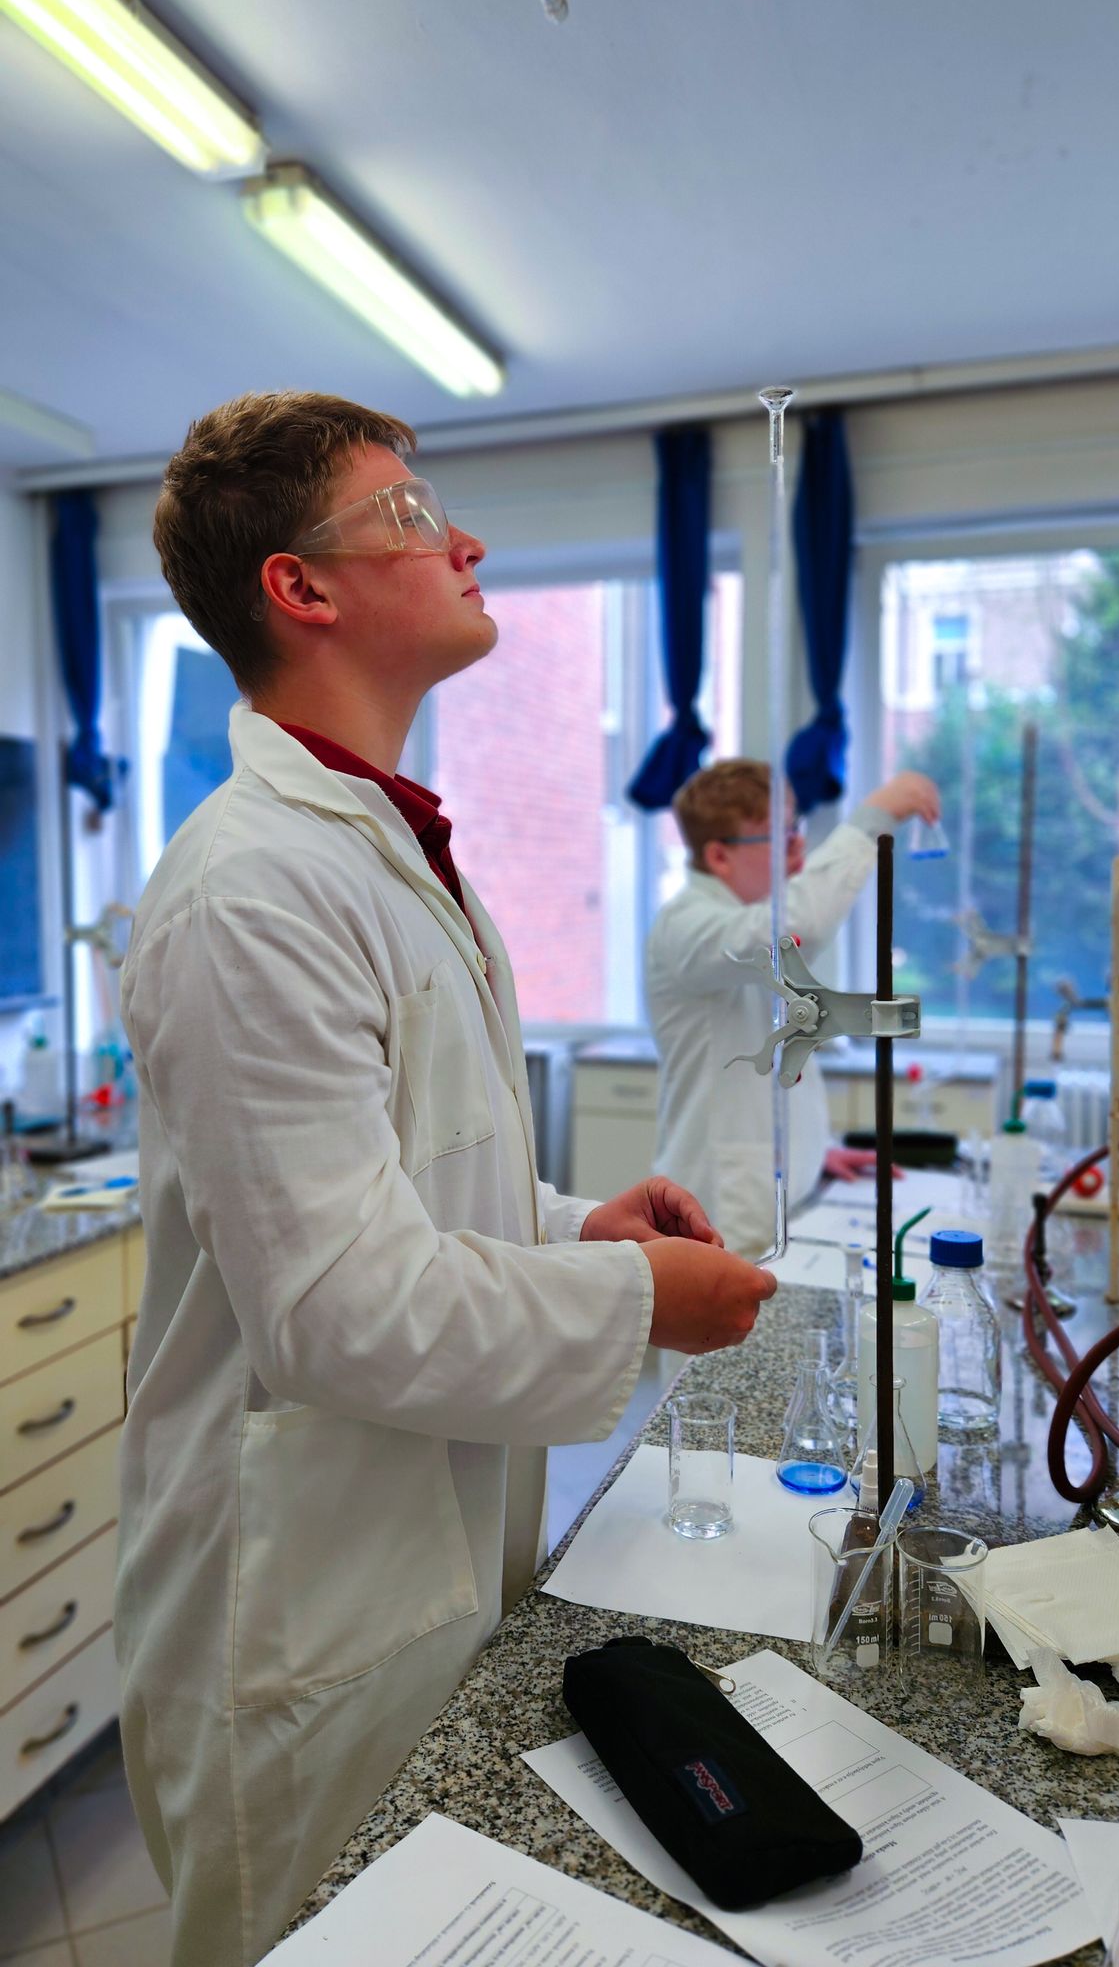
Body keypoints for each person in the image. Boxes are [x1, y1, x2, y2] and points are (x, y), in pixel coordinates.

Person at [115, 393, 772, 1967]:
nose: (464, 541)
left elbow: (399, 1189)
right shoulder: (253, 887)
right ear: (300, 587)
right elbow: (339, 1306)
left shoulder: (385, 847)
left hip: (414, 1561)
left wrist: (579, 1225)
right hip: (296, 1603)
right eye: (409, 514)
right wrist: (636, 1299)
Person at [646, 757, 941, 1256]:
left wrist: (813, 1155)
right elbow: (798, 925)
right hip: (724, 1204)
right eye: (780, 836)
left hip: (774, 1189)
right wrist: (873, 819)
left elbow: (768, 1074)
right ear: (719, 856)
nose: (797, 847)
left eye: (794, 829)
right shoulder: (688, 925)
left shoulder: (738, 921)